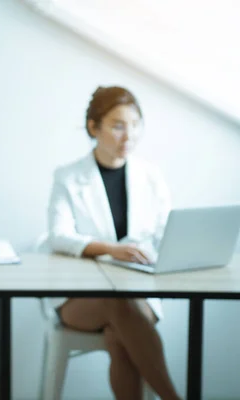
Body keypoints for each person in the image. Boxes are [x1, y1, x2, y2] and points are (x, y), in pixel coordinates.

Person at [47, 86, 181, 400]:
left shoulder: (150, 176)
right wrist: (110, 249)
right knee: (116, 302)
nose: (129, 135)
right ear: (94, 128)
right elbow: (58, 235)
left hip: (139, 294)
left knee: (119, 333)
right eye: (118, 126)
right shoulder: (68, 176)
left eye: (135, 125)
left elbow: (167, 233)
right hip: (81, 299)